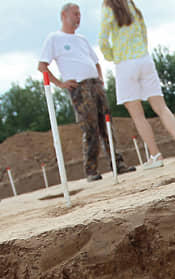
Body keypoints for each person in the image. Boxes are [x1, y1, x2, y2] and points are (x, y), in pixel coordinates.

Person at [39, 2, 135, 182]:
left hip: (96, 86)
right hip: (79, 89)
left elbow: (96, 61)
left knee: (107, 125)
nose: (78, 17)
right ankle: (91, 170)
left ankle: (118, 164)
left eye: (79, 14)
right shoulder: (54, 38)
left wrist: (100, 78)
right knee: (90, 128)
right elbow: (42, 66)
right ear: (64, 16)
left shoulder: (82, 39)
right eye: (75, 14)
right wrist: (60, 83)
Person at [98, 0, 175, 169]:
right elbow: (144, 33)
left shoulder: (108, 8)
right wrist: (141, 51)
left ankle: (155, 155)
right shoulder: (132, 6)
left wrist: (111, 57)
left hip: (125, 63)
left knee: (138, 114)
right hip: (144, 59)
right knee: (161, 107)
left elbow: (102, 40)